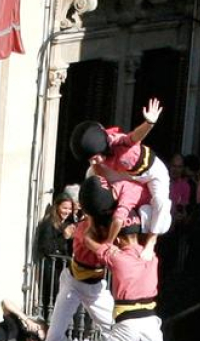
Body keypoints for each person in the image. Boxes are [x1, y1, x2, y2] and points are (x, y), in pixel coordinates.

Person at [82, 210, 166, 341]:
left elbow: (88, 241)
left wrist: (91, 220)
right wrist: (151, 240)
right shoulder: (152, 257)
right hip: (151, 321)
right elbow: (153, 238)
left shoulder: (117, 258)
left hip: (127, 323)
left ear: (119, 239)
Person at [70, 98, 173, 246]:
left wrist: (149, 123)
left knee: (160, 202)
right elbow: (95, 172)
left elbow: (135, 136)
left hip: (151, 173)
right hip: (125, 173)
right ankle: (92, 223)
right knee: (90, 176)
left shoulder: (118, 143)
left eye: (94, 158)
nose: (93, 161)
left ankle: (151, 240)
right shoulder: (97, 153)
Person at [44, 177, 116, 341]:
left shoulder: (106, 226)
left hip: (95, 288)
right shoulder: (84, 228)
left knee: (117, 331)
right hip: (72, 281)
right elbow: (95, 246)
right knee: (52, 340)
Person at [33, 193, 76, 264]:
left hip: (62, 267)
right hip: (51, 268)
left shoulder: (67, 223)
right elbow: (46, 247)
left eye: (70, 209)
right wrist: (64, 237)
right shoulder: (49, 223)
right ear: (57, 207)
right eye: (64, 208)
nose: (67, 212)